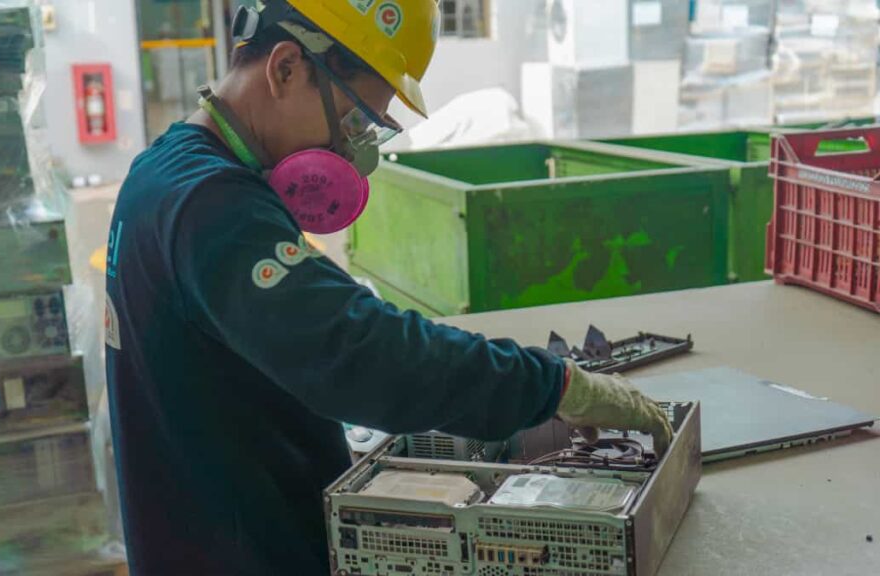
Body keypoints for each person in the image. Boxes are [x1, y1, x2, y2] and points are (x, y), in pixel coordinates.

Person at [103, 1, 673, 574]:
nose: (355, 153)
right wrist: (555, 385)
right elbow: (365, 355)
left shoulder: (169, 168)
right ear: (285, 69)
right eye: (355, 123)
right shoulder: (213, 208)